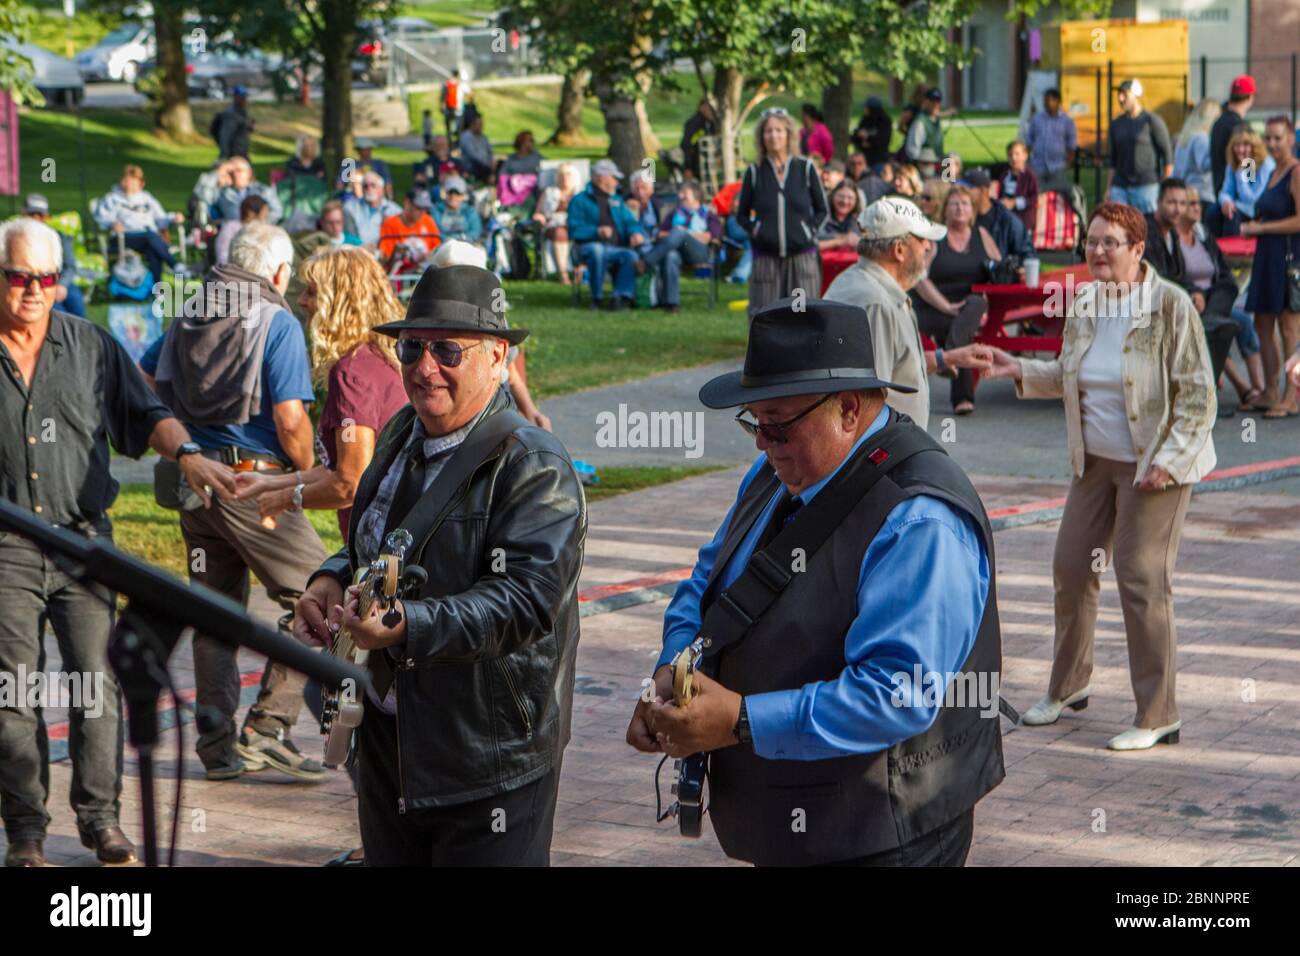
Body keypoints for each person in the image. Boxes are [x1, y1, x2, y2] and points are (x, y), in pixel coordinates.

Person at [626, 297, 1003, 867]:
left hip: (879, 836)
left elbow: (894, 693)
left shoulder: (921, 518)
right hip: (792, 823)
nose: (760, 442)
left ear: (848, 409)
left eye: (775, 425)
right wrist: (675, 668)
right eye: (754, 422)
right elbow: (706, 580)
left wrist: (740, 719)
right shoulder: (776, 469)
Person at [291, 265, 585, 866]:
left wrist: (406, 625)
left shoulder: (534, 465)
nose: (426, 367)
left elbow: (526, 601)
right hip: (389, 742)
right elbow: (377, 542)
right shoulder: (403, 431)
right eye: (413, 347)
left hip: (487, 756)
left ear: (498, 356)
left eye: (449, 349)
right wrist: (330, 576)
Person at [0, 218, 236, 867]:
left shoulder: (91, 346)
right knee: (13, 689)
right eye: (17, 277)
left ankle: (100, 819)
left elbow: (147, 413)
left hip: (82, 545)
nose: (30, 291)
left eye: (44, 279)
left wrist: (187, 453)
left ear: (58, 283)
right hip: (7, 547)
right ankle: (24, 831)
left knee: (97, 684)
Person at [986, 202, 1216, 751]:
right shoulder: (1084, 301)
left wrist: (1170, 459)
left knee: (1140, 579)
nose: (1097, 251)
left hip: (1155, 466)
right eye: (1091, 241)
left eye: (1110, 242)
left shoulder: (1170, 306)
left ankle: (1159, 713)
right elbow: (1071, 375)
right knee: (1070, 568)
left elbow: (1199, 395)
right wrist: (1018, 369)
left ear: (1138, 250)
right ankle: (1069, 687)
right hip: (1094, 462)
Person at [137, 223, 328, 783]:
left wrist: (187, 445)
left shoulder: (192, 309)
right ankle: (269, 728)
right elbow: (291, 419)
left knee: (215, 614)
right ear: (278, 273)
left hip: (195, 485)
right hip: (254, 484)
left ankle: (217, 747)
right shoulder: (277, 320)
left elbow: (145, 379)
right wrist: (303, 474)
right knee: (323, 595)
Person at [234, 245, 407, 542]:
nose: (302, 301)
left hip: (375, 542)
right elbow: (337, 469)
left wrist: (286, 499)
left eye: (312, 292)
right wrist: (267, 483)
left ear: (339, 301)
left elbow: (350, 483)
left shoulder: (352, 373)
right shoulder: (384, 357)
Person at [824, 197, 993, 430]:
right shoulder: (876, 303)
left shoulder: (870, 287)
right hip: (883, 457)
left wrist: (947, 358)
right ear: (899, 250)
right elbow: (863, 404)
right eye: (922, 240)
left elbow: (892, 369)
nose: (928, 247)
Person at [1143, 179, 1239, 405]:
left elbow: (1180, 274)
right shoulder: (1149, 232)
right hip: (1152, 305)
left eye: (1182, 203)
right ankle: (1204, 393)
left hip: (1178, 300)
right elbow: (1154, 276)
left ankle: (1204, 392)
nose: (1178, 209)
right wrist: (1190, 294)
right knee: (1221, 330)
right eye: (1171, 202)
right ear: (1158, 203)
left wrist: (1195, 291)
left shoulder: (1172, 234)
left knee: (1228, 290)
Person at [912, 187, 1001, 416]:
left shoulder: (981, 234)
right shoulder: (935, 237)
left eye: (965, 203)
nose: (960, 208)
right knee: (960, 326)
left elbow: (999, 265)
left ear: (972, 210)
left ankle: (949, 357)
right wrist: (947, 306)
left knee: (975, 304)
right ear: (945, 210)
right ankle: (962, 395)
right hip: (934, 305)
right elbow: (920, 279)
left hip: (970, 305)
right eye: (954, 204)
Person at [735, 106, 828, 316]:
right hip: (766, 258)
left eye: (779, 130)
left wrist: (807, 232)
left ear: (788, 134)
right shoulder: (755, 171)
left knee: (804, 314)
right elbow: (741, 215)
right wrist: (758, 231)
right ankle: (766, 351)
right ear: (761, 136)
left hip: (802, 257)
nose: (773, 136)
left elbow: (822, 210)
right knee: (765, 315)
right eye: (768, 131)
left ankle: (804, 351)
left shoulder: (805, 168)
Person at [1240, 115, 1300, 417]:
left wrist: (1261, 229)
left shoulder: (1296, 171)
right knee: (1262, 323)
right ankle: (1271, 390)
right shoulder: (1273, 172)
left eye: (1278, 137)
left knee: (1289, 328)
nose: (1273, 143)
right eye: (1269, 138)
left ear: (1291, 138)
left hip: (1289, 258)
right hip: (1268, 257)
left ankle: (1292, 395)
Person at [567, 158, 646, 310]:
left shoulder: (616, 200)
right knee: (598, 251)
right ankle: (597, 298)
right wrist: (596, 231)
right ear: (601, 178)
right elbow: (574, 229)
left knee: (631, 256)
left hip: (614, 248)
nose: (617, 182)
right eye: (614, 178)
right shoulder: (579, 200)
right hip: (585, 247)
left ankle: (620, 297)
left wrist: (635, 233)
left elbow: (630, 222)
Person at [91, 164, 186, 282]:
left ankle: (156, 291)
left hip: (148, 238)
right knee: (151, 237)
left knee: (152, 249)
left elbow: (160, 218)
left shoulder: (146, 199)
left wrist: (173, 217)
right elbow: (101, 217)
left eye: (133, 181)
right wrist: (112, 224)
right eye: (127, 180)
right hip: (124, 237)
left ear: (141, 183)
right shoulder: (113, 198)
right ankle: (175, 265)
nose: (129, 183)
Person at [640, 180, 721, 313]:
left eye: (685, 193)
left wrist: (683, 233)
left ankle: (647, 262)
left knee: (679, 231)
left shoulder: (708, 215)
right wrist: (680, 235)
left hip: (698, 253)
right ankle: (671, 304)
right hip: (676, 252)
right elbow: (659, 234)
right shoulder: (674, 213)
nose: (680, 196)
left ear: (696, 196)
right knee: (671, 256)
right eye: (680, 192)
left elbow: (710, 238)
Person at [1106, 79, 1173, 214]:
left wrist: (1164, 189)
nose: (1120, 98)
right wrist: (1109, 188)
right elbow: (1113, 161)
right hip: (1120, 189)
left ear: (1136, 95)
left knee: (1147, 230)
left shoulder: (1151, 121)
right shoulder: (1116, 124)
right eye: (1119, 94)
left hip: (1146, 188)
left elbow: (1167, 156)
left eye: (1125, 94)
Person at [21, 193, 83, 318]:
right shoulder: (16, 239)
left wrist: (62, 285)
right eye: (32, 214)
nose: (36, 218)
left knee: (76, 302)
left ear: (47, 216)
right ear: (23, 214)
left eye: (41, 215)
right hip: (33, 282)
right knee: (58, 311)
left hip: (59, 279)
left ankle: (81, 335)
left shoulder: (59, 236)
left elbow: (69, 265)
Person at [1217, 127, 1273, 238]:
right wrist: (1226, 202)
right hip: (1244, 207)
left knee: (1232, 215)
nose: (1241, 150)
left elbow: (1252, 199)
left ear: (1255, 147)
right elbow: (1226, 191)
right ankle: (1217, 249)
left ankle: (1233, 250)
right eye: (1237, 145)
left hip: (1260, 209)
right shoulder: (1234, 163)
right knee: (1214, 212)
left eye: (1246, 145)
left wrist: (1241, 172)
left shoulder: (1266, 164)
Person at [966, 168, 1034, 259]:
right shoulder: (963, 218)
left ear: (983, 190)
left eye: (968, 188)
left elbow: (1027, 254)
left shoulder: (1007, 220)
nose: (963, 192)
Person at [1209, 75, 1255, 202]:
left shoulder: (1218, 123)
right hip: (1236, 199)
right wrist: (1251, 188)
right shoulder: (1241, 128)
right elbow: (1249, 163)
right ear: (1250, 97)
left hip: (1220, 192)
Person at [533, 162, 579, 284]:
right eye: (561, 174)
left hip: (576, 224)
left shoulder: (580, 193)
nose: (564, 178)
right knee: (560, 233)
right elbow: (538, 212)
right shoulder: (549, 192)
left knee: (582, 234)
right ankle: (563, 274)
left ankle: (579, 273)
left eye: (568, 174)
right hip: (554, 224)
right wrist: (539, 217)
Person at [1025, 87, 1078, 194]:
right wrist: (1027, 162)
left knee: (1058, 196)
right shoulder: (1037, 119)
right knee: (1035, 193)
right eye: (1045, 100)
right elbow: (1029, 141)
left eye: (1049, 100)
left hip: (1058, 166)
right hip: (1038, 165)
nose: (1045, 103)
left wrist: (1067, 164)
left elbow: (1071, 145)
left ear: (1057, 101)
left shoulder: (1067, 121)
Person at [1173, 99, 1220, 211]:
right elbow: (1203, 166)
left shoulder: (1186, 137)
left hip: (1186, 190)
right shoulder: (1201, 138)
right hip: (1201, 194)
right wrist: (1220, 155)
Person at [211, 156, 283, 226]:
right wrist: (219, 173)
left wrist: (258, 226)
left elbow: (276, 212)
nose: (235, 174)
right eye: (231, 172)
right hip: (231, 233)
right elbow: (202, 196)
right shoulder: (221, 192)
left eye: (239, 171)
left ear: (249, 173)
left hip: (258, 232)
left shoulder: (263, 190)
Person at [380, 188, 442, 267]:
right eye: (418, 208)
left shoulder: (428, 221)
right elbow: (386, 260)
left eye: (425, 208)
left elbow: (437, 250)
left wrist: (428, 255)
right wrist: (411, 260)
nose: (422, 212)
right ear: (407, 203)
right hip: (400, 276)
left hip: (426, 273)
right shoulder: (390, 224)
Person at [343, 171, 402, 250]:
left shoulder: (395, 211)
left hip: (386, 253)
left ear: (382, 189)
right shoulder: (350, 208)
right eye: (365, 186)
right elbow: (349, 235)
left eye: (373, 185)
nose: (369, 189)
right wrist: (363, 246)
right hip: (358, 252)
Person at [214, 193, 271, 266]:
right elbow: (222, 254)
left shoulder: (263, 229)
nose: (267, 214)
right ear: (250, 212)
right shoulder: (231, 227)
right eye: (264, 211)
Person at [998, 140, 1039, 233]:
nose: (1013, 158)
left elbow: (1034, 197)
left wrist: (1015, 202)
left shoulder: (1030, 175)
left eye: (1017, 154)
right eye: (1010, 155)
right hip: (1006, 218)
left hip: (1023, 219)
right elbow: (1000, 194)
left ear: (1025, 156)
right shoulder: (1005, 175)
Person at [904, 88, 946, 176]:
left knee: (951, 163)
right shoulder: (920, 122)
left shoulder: (936, 120)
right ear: (926, 102)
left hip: (938, 163)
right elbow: (912, 150)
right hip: (924, 166)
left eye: (937, 101)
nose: (935, 104)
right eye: (932, 101)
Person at [432, 176, 483, 245]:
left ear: (463, 195)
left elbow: (475, 232)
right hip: (443, 246)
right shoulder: (436, 211)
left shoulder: (470, 211)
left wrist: (460, 239)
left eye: (457, 193)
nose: (453, 196)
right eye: (450, 193)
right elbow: (434, 232)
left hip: (467, 246)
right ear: (445, 194)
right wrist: (449, 240)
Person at [210, 84, 253, 160]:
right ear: (235, 97)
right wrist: (224, 154)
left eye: (245, 97)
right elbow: (225, 135)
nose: (244, 99)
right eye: (242, 97)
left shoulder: (242, 112)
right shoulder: (231, 114)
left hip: (242, 152)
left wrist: (248, 127)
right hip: (234, 154)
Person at [817, 180, 862, 251]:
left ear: (856, 201)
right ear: (832, 196)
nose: (845, 201)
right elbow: (811, 245)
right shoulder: (820, 217)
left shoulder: (860, 221)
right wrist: (841, 241)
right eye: (841, 196)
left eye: (850, 198)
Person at [681, 99, 718, 180]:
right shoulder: (695, 124)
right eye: (710, 108)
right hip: (697, 165)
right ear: (701, 108)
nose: (712, 111)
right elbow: (687, 145)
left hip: (710, 165)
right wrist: (688, 167)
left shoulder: (712, 122)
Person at [852, 96, 893, 169]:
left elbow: (882, 141)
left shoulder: (884, 121)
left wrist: (868, 137)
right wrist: (862, 140)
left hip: (878, 160)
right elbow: (856, 136)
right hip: (865, 159)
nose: (864, 110)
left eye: (866, 108)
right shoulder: (865, 120)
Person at [458, 113, 494, 182]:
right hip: (472, 165)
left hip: (486, 164)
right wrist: (486, 164)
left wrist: (492, 161)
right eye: (479, 124)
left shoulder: (483, 137)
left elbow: (490, 151)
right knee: (482, 168)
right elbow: (472, 155)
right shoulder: (466, 137)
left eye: (482, 125)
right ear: (472, 125)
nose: (481, 127)